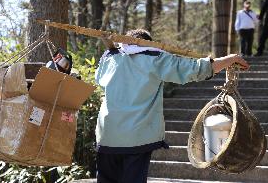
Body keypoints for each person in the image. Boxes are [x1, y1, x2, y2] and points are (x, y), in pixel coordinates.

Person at [95, 29, 249, 183]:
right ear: (148, 43)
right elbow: (195, 68)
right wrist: (230, 58)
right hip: (137, 137)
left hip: (107, 135)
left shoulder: (109, 59)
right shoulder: (154, 59)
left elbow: (99, 79)